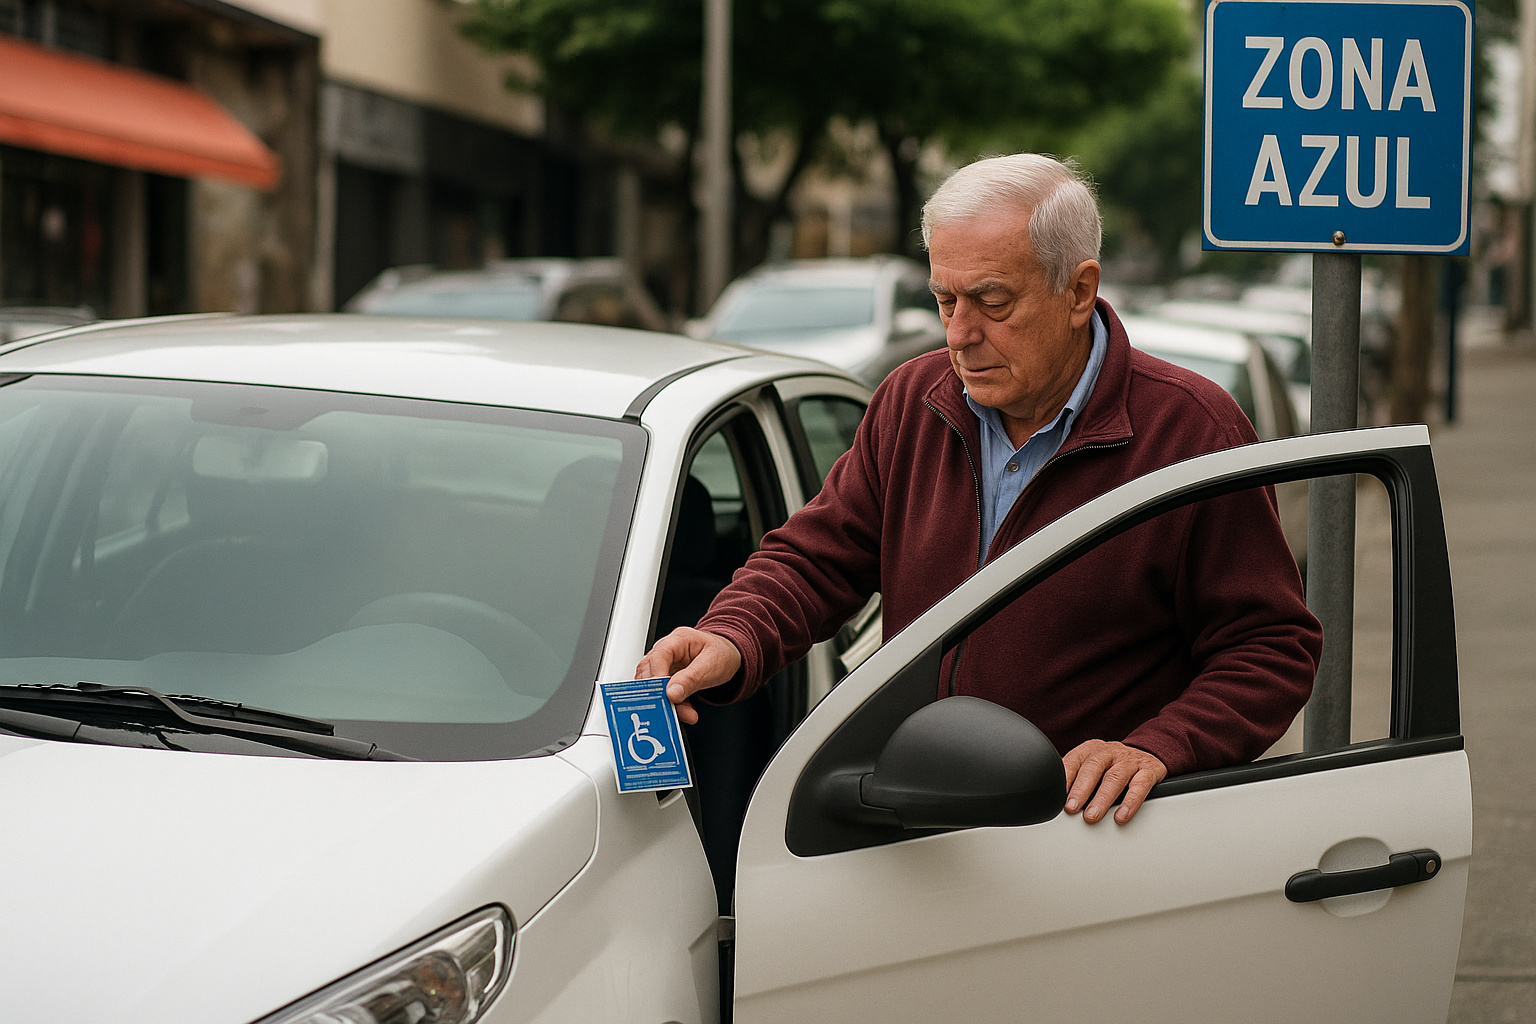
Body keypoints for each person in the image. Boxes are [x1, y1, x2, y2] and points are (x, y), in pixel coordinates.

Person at [637, 153, 1322, 826]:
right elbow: (818, 558)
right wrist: (731, 634)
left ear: (1080, 291)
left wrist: (1161, 746)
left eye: (993, 301)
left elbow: (1270, 645)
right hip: (918, 829)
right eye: (944, 301)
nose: (960, 334)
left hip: (1090, 841)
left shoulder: (1191, 430)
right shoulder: (913, 399)